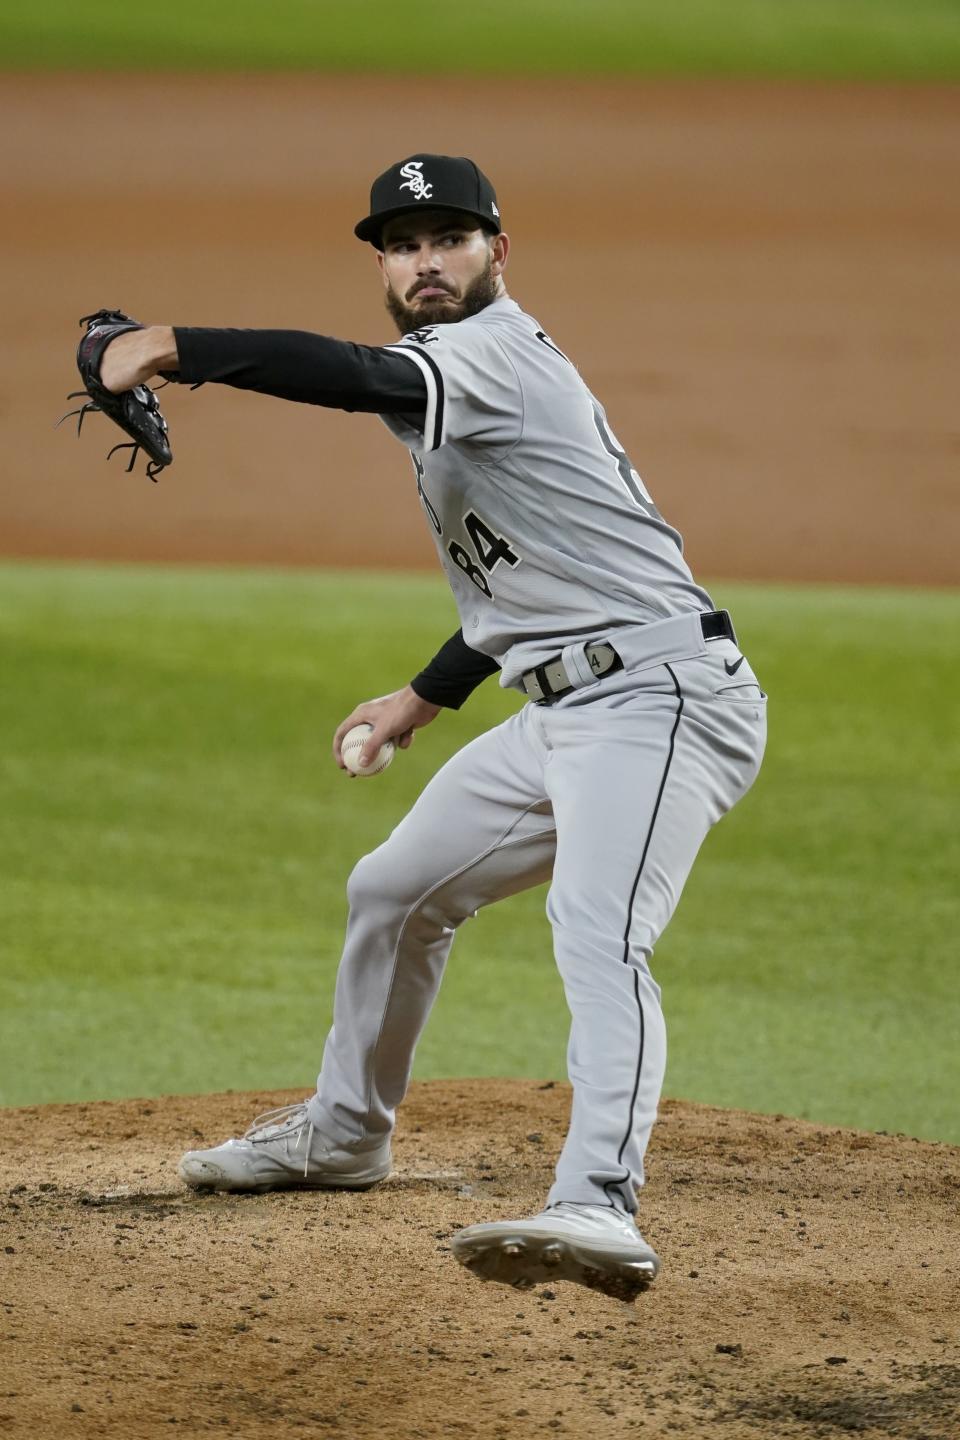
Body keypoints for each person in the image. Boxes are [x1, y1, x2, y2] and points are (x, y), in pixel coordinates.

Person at [97, 154, 767, 1300]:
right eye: (403, 245)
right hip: (564, 707)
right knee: (393, 890)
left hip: (660, 702)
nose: (426, 262)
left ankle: (599, 1202)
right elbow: (534, 584)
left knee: (597, 933)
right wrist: (422, 698)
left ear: (496, 252)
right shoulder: (453, 373)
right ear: (382, 262)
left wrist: (174, 347)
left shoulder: (492, 353)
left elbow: (348, 374)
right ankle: (347, 1134)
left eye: (450, 239)